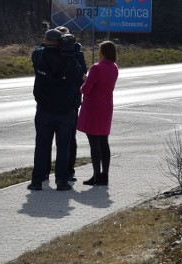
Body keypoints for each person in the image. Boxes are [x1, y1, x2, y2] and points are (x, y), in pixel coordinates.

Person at [27, 29, 84, 191]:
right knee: (64, 146)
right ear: (61, 42)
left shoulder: (39, 55)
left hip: (44, 108)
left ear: (45, 40)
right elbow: (79, 74)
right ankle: (62, 180)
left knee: (41, 145)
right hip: (65, 109)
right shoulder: (70, 58)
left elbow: (37, 52)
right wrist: (72, 51)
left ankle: (37, 180)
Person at [77, 41, 119, 186]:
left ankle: (96, 175)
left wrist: (84, 80)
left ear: (103, 52)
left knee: (94, 143)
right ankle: (105, 175)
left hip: (93, 107)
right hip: (106, 106)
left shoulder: (96, 68)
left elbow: (86, 89)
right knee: (103, 141)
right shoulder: (114, 67)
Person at [55, 26, 87, 181]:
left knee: (70, 138)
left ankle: (69, 170)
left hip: (71, 102)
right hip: (53, 103)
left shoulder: (77, 54)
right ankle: (50, 169)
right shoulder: (50, 54)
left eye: (66, 38)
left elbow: (81, 74)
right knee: (49, 139)